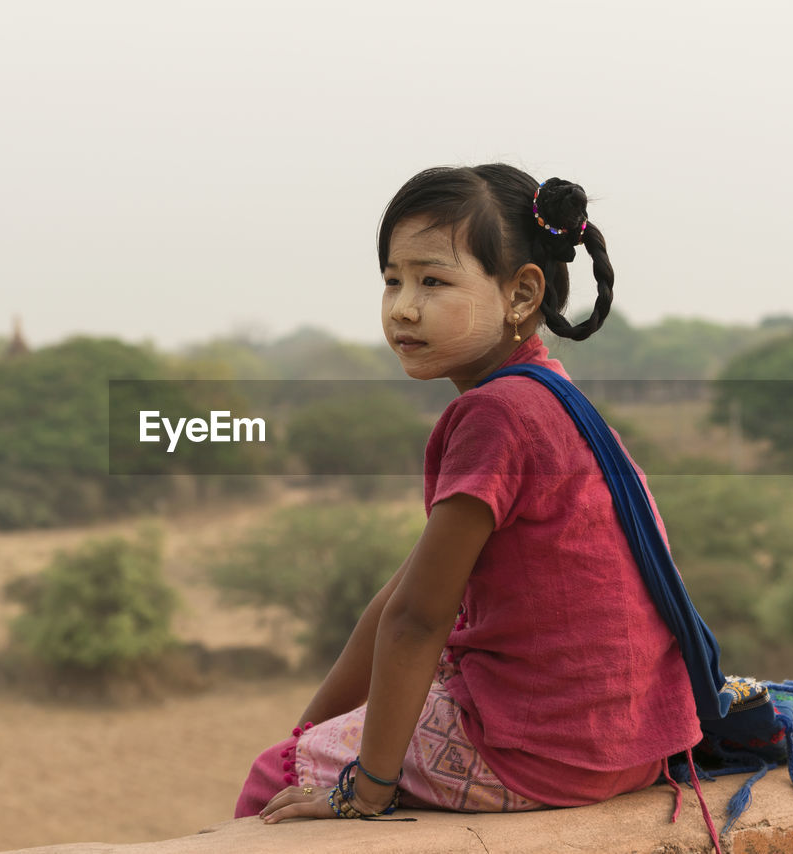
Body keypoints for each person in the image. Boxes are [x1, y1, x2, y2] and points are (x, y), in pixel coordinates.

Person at [234, 164, 702, 823]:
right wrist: (311, 726)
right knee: (308, 746)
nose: (403, 306)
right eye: (392, 280)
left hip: (542, 753)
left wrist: (362, 788)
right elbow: (399, 598)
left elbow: (418, 620)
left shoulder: (494, 415)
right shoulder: (552, 395)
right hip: (638, 745)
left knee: (274, 776)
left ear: (520, 294)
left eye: (433, 280)